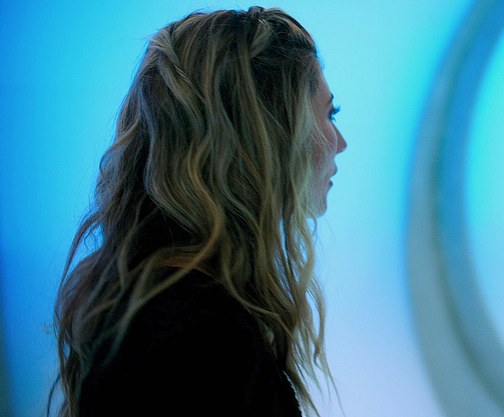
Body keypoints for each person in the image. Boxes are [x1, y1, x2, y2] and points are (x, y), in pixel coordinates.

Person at [51, 6, 346, 417]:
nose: (341, 143)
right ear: (268, 133)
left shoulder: (163, 309)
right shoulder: (199, 338)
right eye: (329, 113)